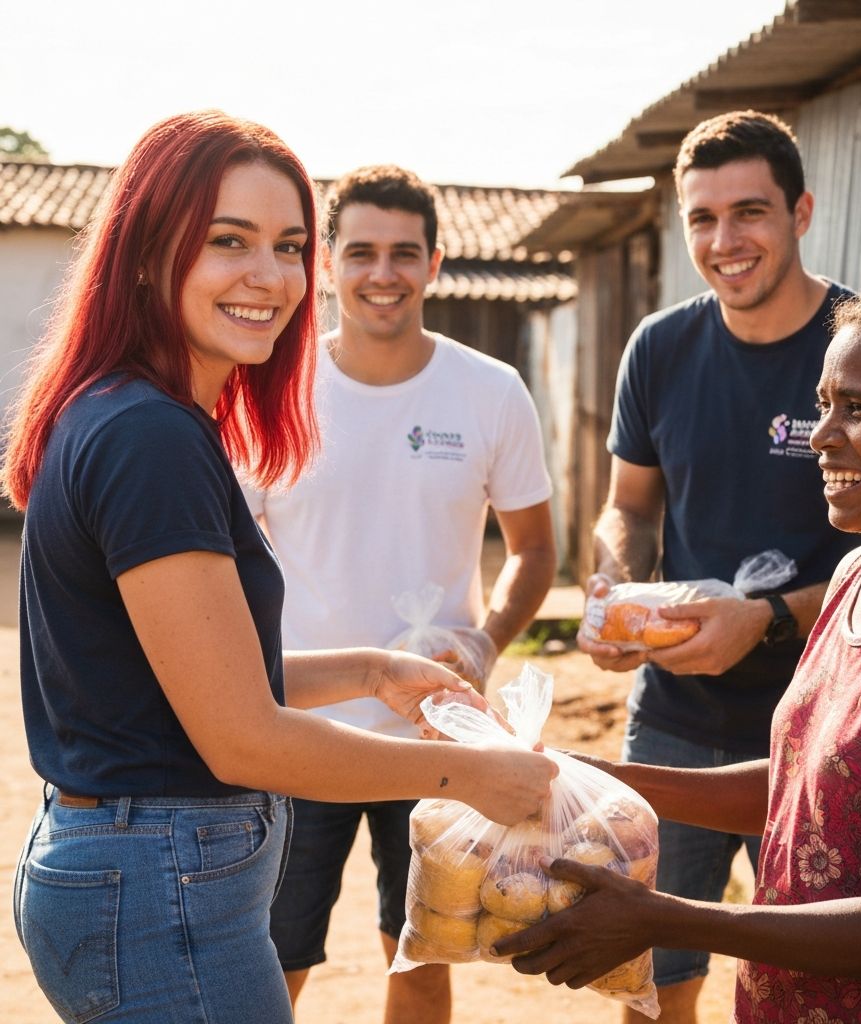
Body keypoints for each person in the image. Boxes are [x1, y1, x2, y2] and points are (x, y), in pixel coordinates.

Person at [4, 111, 556, 1024]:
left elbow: (196, 681)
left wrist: (376, 671)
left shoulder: (144, 416)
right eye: (229, 241)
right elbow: (242, 737)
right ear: (147, 253)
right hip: (160, 888)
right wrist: (471, 775)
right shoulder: (149, 437)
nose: (270, 276)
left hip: (140, 870)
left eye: (289, 245)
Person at [498, 280, 861, 1023]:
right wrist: (591, 776)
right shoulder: (855, 576)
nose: (821, 434)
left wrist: (668, 918)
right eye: (825, 402)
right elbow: (807, 788)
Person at [243, 163, 556, 1022]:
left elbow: (533, 550)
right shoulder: (272, 391)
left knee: (417, 948)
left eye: (404, 253)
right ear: (329, 263)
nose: (384, 273)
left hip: (437, 733)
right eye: (362, 252)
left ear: (436, 262)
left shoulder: (490, 391)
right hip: (295, 733)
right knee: (268, 955)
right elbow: (230, 565)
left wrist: (486, 642)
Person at [576, 110, 861, 1021]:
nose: (724, 241)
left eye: (751, 213)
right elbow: (628, 505)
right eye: (702, 218)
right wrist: (618, 590)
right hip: (677, 722)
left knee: (829, 981)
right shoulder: (660, 347)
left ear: (801, 212)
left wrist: (768, 618)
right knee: (651, 977)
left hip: (834, 724)